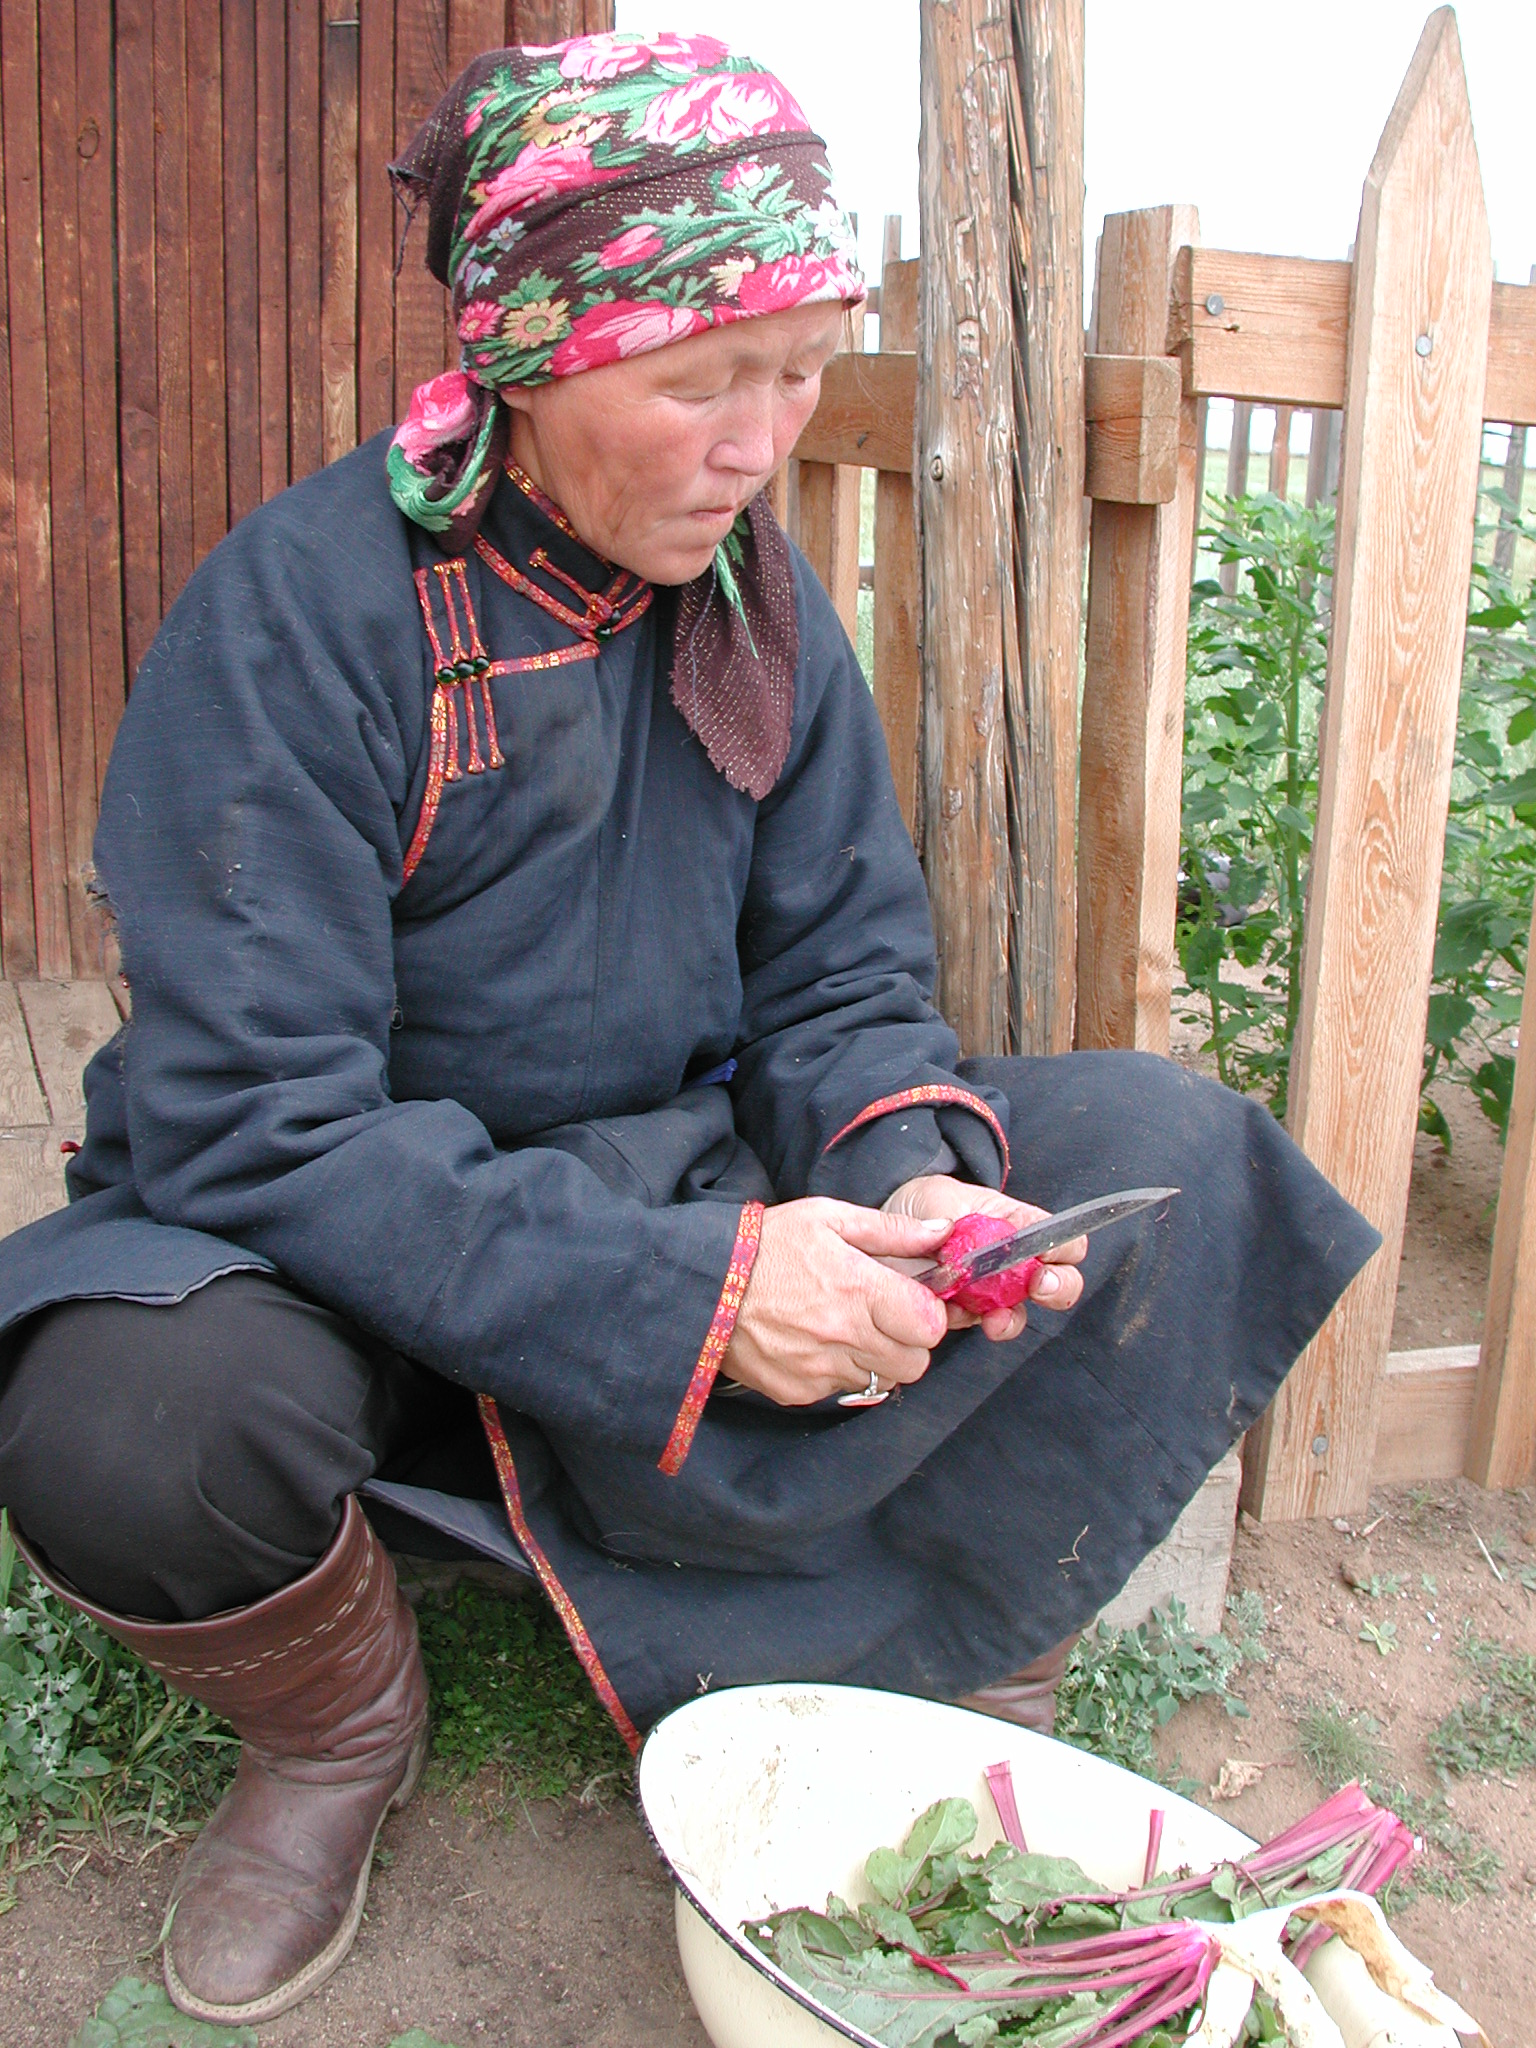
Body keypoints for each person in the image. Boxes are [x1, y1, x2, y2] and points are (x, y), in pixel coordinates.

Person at [0, 30, 1378, 2030]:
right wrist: (700, 1301)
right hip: (345, 1247)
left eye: (800, 372)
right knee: (127, 1413)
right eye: (702, 381)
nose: (762, 443)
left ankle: (967, 1655)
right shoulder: (302, 616)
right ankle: (331, 1738)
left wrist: (913, 1186)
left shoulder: (756, 605)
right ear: (531, 356)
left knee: (1161, 1154)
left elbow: (840, 979)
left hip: (674, 1171)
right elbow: (257, 1121)